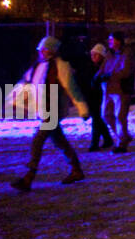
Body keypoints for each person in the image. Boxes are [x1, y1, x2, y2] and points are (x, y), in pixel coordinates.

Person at [10, 36, 88, 191]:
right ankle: (76, 170)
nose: (40, 51)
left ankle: (29, 177)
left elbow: (71, 88)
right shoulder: (37, 66)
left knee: (37, 140)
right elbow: (25, 83)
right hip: (44, 110)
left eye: (43, 49)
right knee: (59, 140)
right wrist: (14, 99)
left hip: (53, 110)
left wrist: (82, 108)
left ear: (51, 50)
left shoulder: (61, 66)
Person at [101, 31, 135, 152]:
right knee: (106, 114)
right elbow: (103, 67)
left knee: (120, 116)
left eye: (112, 39)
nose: (109, 42)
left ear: (119, 41)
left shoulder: (127, 54)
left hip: (121, 89)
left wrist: (110, 75)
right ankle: (123, 136)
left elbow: (126, 71)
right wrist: (97, 77)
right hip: (108, 88)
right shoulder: (110, 53)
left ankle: (121, 143)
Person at [82, 43, 114, 151]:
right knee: (98, 119)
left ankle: (94, 143)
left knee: (97, 119)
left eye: (96, 55)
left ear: (101, 56)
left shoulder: (104, 67)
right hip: (92, 97)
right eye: (92, 55)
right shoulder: (90, 66)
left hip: (100, 96)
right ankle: (107, 139)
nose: (93, 57)